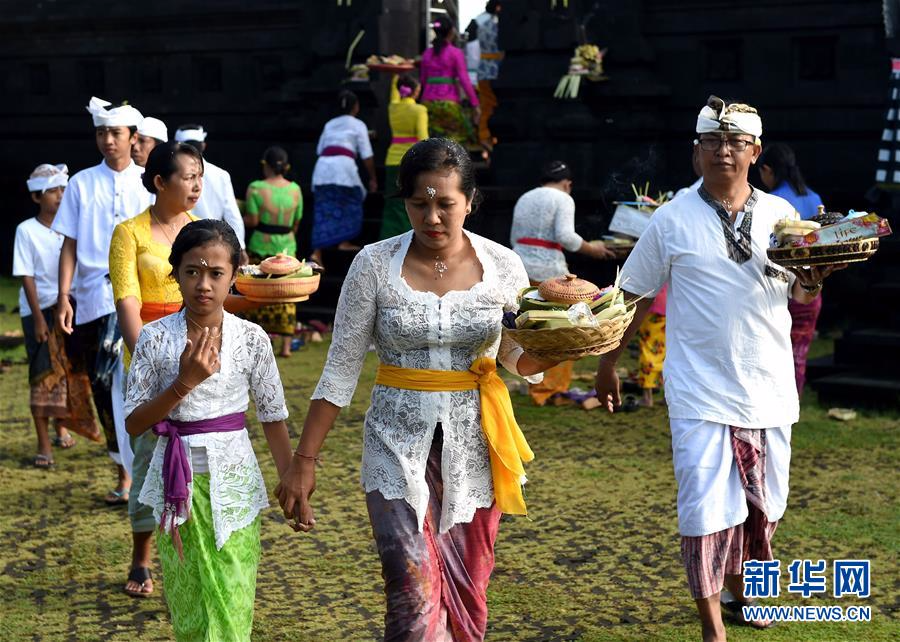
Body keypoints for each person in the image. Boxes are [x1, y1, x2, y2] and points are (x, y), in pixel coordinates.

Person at [276, 138, 556, 641]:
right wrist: (304, 460)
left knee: (470, 590)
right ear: (403, 202)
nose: (431, 217)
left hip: (477, 446)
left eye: (445, 203)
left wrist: (562, 343)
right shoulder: (372, 265)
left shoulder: (505, 266)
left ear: (469, 200)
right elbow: (340, 368)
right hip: (393, 444)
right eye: (418, 204)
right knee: (411, 586)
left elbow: (516, 357)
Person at [594, 95, 845, 642]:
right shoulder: (671, 218)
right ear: (696, 153)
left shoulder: (783, 217)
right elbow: (632, 296)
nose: (723, 152)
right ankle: (714, 627)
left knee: (764, 506)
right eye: (712, 142)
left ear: (754, 152)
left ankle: (739, 588)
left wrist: (818, 273)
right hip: (698, 388)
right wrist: (609, 364)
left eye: (735, 143)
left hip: (769, 385)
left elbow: (802, 291)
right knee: (705, 507)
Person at [124, 219, 292, 641]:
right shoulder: (154, 338)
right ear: (175, 273)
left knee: (233, 596)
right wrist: (184, 383)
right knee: (190, 599)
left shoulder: (252, 339)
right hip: (174, 486)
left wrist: (293, 482)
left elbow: (272, 415)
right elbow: (134, 421)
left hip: (234, 482)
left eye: (216, 273)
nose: (204, 284)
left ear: (235, 274)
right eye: (192, 272)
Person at [109, 141, 202, 599]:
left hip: (197, 357)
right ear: (160, 181)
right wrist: (149, 357)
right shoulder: (129, 233)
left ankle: (196, 551)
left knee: (202, 453)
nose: (196, 184)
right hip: (147, 356)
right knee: (148, 460)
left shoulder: (198, 231)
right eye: (188, 176)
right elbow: (127, 302)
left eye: (200, 175)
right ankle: (142, 557)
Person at [53, 96, 151, 506]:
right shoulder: (80, 183)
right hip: (93, 297)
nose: (108, 141)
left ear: (133, 138)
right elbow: (70, 245)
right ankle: (122, 468)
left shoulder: (149, 183)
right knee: (102, 382)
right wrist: (63, 296)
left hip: (138, 297)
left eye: (115, 133)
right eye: (101, 133)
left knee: (132, 382)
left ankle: (140, 473)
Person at [14, 164, 99, 468]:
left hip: (74, 306)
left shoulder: (75, 228)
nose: (60, 196)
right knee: (43, 376)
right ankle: (44, 443)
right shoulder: (26, 230)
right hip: (41, 310)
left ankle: (63, 428)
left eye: (63, 190)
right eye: (53, 191)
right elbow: (26, 277)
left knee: (72, 372)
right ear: (37, 197)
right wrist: (38, 319)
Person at [510, 160, 615, 406]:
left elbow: (514, 236)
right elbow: (566, 237)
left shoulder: (525, 197)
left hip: (521, 267)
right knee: (562, 332)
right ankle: (552, 390)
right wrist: (593, 249)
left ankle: (533, 383)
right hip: (550, 272)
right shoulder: (563, 198)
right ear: (567, 184)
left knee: (530, 330)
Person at [758, 143, 825, 395]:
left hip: (781, 290)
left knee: (775, 355)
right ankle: (792, 403)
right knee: (799, 354)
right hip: (811, 288)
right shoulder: (814, 198)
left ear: (766, 169)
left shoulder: (774, 203)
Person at [243, 145, 304, 357]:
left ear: (265, 166)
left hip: (261, 245)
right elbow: (296, 222)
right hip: (288, 247)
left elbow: (253, 220)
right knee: (288, 294)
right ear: (285, 167)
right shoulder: (295, 189)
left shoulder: (256, 188)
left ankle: (255, 343)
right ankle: (286, 346)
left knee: (257, 294)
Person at [309, 90, 377, 265]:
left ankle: (317, 252)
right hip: (343, 168)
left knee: (323, 208)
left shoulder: (330, 124)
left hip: (323, 167)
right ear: (356, 107)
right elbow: (367, 154)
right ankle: (343, 241)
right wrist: (372, 177)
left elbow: (319, 149)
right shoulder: (359, 125)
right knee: (351, 201)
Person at [173, 124, 247, 260]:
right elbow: (233, 215)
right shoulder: (221, 175)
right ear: (203, 146)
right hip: (214, 246)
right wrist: (240, 248)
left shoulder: (172, 175)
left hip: (180, 244)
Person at [420, 15, 481, 148]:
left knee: (433, 145)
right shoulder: (456, 53)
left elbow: (423, 81)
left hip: (428, 103)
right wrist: (475, 104)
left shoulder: (427, 53)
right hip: (449, 103)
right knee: (456, 144)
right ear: (451, 31)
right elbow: (464, 80)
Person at [380, 74, 428, 240]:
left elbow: (394, 94)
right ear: (415, 92)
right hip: (411, 161)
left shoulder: (393, 107)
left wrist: (395, 74)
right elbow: (423, 139)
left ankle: (387, 240)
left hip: (392, 159)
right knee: (410, 202)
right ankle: (407, 241)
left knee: (392, 204)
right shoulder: (419, 110)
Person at [474, 1, 504, 150]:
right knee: (496, 105)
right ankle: (493, 136)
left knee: (486, 105)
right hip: (496, 69)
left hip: (483, 68)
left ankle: (485, 136)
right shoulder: (500, 26)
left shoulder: (483, 24)